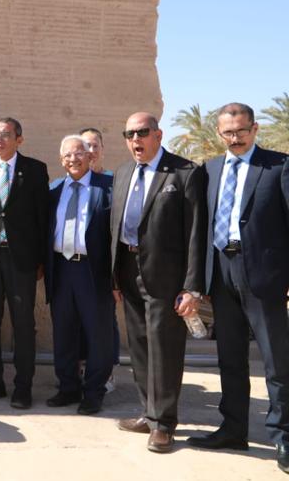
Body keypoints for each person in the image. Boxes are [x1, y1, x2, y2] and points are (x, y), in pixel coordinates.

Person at [189, 103, 289, 472]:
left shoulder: (278, 166)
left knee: (277, 361)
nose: (235, 138)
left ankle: (284, 437)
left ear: (255, 128)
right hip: (221, 272)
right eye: (228, 132)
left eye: (241, 131)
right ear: (219, 133)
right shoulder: (211, 169)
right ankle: (233, 429)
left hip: (264, 276)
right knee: (229, 358)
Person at [111, 112, 206, 453]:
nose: (135, 139)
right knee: (139, 346)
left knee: (164, 349)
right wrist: (114, 276)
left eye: (142, 132)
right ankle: (148, 413)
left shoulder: (184, 173)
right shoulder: (123, 173)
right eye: (129, 134)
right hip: (128, 270)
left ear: (158, 134)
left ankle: (164, 424)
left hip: (167, 277)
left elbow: (196, 234)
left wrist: (192, 287)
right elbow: (115, 226)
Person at [0, 117, 50, 409]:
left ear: (19, 139)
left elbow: (43, 218)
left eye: (5, 135)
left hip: (22, 260)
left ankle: (23, 386)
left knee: (23, 323)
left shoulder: (35, 170)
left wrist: (42, 260)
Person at [44, 135, 114, 416]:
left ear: (90, 156)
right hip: (61, 269)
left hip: (92, 271)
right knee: (63, 332)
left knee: (98, 335)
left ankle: (94, 393)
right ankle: (68, 387)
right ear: (61, 160)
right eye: (67, 155)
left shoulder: (107, 187)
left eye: (78, 153)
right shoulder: (54, 189)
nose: (73, 159)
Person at [79, 125, 119, 393]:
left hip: (104, 267)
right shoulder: (68, 183)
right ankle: (82, 366)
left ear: (102, 149)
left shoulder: (114, 183)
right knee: (79, 321)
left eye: (94, 146)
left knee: (105, 321)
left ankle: (108, 371)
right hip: (75, 264)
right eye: (85, 146)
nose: (90, 151)